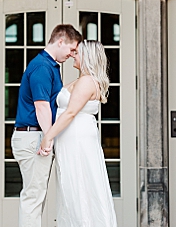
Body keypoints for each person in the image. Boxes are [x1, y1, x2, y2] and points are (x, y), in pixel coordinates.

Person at [38, 40, 118, 227]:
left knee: (80, 186)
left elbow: (71, 112)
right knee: (72, 187)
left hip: (78, 140)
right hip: (72, 139)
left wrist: (48, 137)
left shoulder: (87, 82)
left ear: (88, 57)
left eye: (78, 53)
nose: (74, 55)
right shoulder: (83, 79)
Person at [12, 24, 82, 227]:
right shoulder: (42, 66)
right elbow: (42, 107)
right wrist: (48, 137)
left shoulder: (48, 65)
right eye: (71, 49)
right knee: (33, 197)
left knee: (36, 196)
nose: (71, 54)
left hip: (35, 136)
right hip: (33, 137)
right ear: (60, 41)